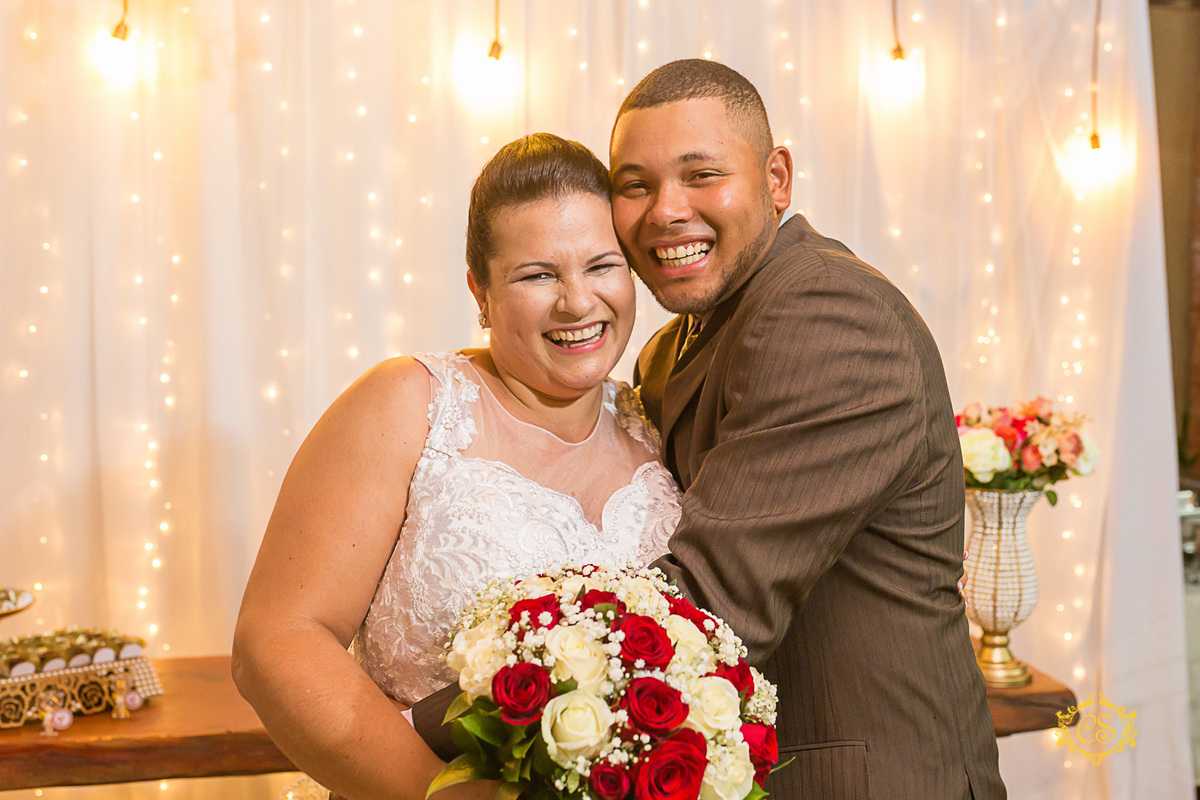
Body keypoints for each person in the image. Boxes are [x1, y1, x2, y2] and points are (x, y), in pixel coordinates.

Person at [231, 133, 681, 800]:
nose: (578, 302)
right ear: (480, 290)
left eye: (601, 266)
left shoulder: (660, 422)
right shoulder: (410, 403)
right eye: (537, 275)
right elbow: (278, 641)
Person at [609, 59, 1007, 798]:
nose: (665, 210)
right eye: (635, 185)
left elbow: (714, 607)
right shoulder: (668, 349)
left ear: (777, 179)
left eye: (701, 174)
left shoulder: (826, 311)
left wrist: (416, 725)